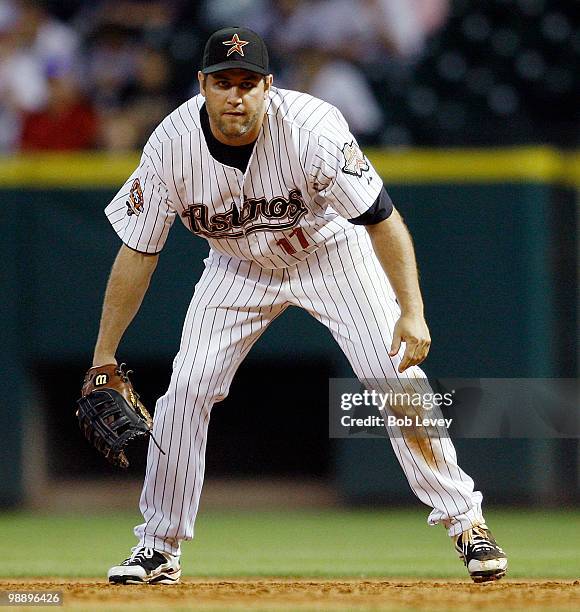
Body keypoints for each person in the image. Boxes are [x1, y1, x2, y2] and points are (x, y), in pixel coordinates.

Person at [91, 26, 507, 585]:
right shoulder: (170, 145)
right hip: (235, 267)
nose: (234, 95)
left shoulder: (313, 129)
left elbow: (382, 220)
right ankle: (158, 548)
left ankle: (466, 522)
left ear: (268, 85)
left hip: (329, 252)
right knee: (185, 390)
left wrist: (411, 309)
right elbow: (137, 253)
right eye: (222, 83)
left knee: (394, 375)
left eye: (246, 82)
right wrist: (102, 358)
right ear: (202, 86)